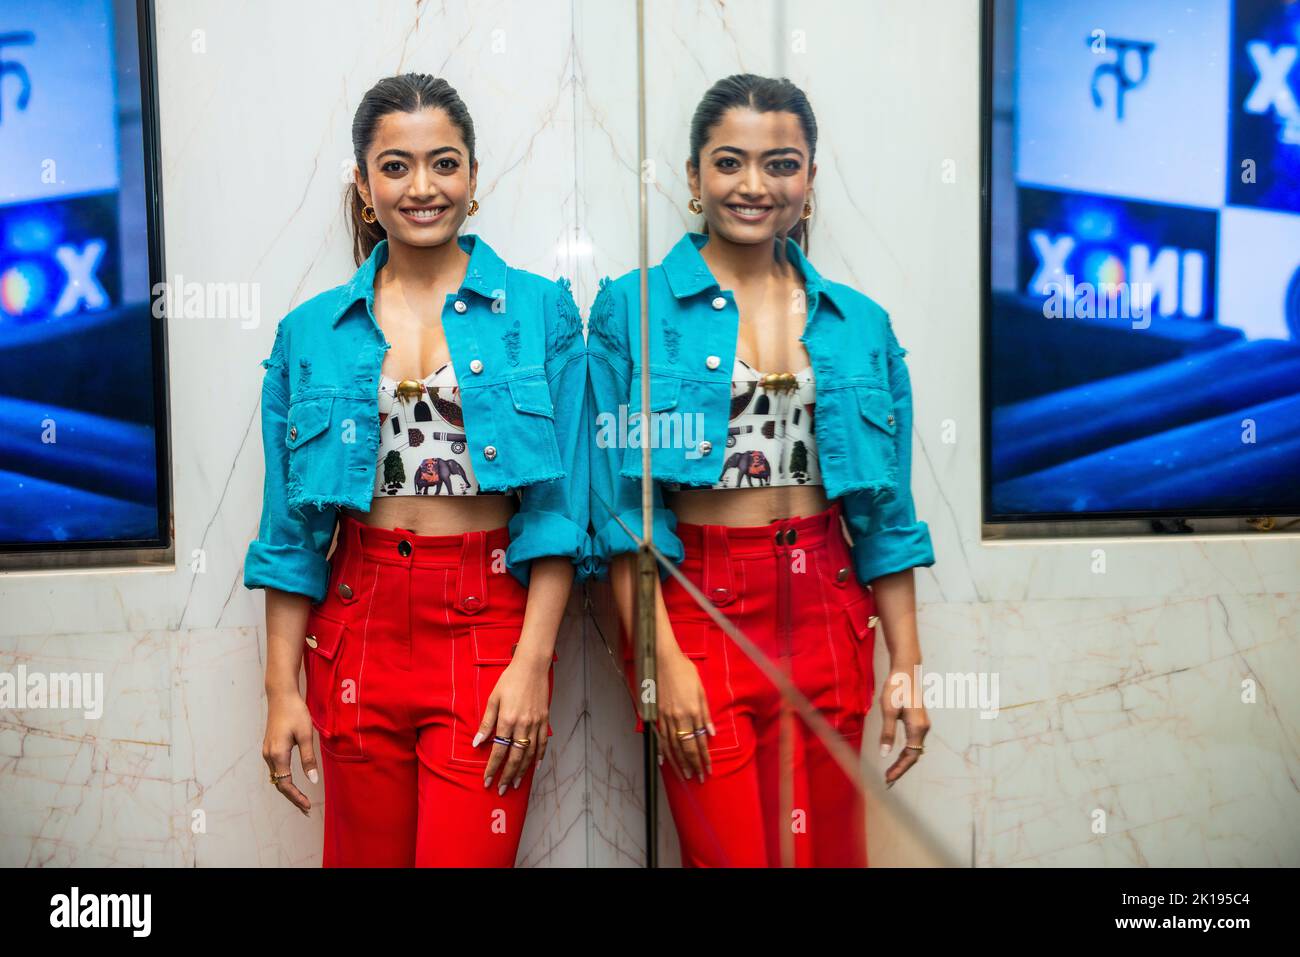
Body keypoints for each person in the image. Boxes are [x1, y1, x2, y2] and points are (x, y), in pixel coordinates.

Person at [586, 74, 935, 867]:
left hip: (829, 613)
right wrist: (658, 658)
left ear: (810, 179)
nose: (753, 185)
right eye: (729, 162)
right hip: (696, 610)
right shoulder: (628, 312)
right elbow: (620, 511)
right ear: (693, 176)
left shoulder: (859, 324)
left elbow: (887, 518)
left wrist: (907, 665)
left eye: (780, 164)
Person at [244, 73, 589, 867]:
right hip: (356, 625)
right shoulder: (313, 333)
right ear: (364, 187)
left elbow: (560, 509)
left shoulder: (540, 312)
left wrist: (532, 661)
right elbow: (292, 535)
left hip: (487, 625)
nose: (422, 187)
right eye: (395, 166)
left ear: (474, 176)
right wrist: (281, 689)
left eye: (444, 163)